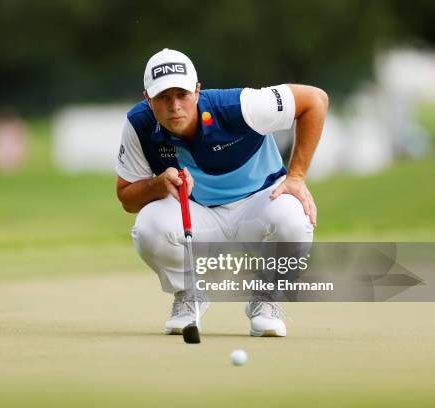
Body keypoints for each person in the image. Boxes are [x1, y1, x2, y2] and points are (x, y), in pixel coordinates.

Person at [115, 48, 328, 337]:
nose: (174, 105)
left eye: (182, 94)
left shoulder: (239, 107)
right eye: (163, 97)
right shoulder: (139, 124)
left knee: (293, 214)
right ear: (147, 99)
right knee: (148, 225)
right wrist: (156, 185)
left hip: (260, 206)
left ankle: (265, 301)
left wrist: (297, 177)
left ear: (198, 91)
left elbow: (315, 100)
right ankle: (190, 295)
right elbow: (127, 197)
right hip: (199, 217)